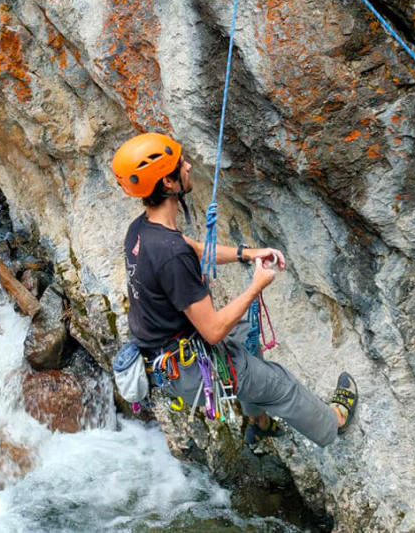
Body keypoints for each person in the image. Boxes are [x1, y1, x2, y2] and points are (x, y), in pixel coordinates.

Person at [111, 131, 358, 446]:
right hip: (189, 369)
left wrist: (247, 253)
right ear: (168, 184)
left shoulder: (142, 230)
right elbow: (213, 331)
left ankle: (258, 419)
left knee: (243, 331)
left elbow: (196, 250)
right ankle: (333, 423)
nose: (187, 166)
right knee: (281, 384)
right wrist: (255, 286)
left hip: (165, 356)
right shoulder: (170, 254)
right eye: (179, 164)